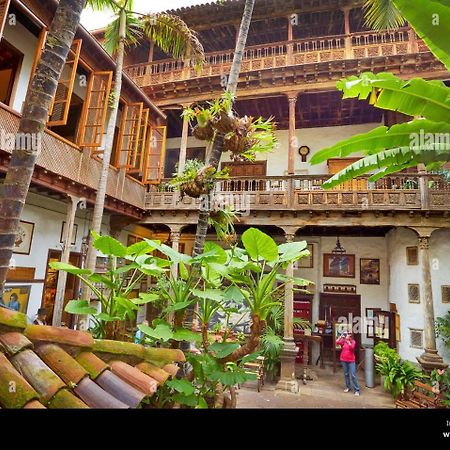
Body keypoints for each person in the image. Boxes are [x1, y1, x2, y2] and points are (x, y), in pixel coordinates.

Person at [336, 331, 361, 396]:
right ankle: (348, 387)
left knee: (353, 375)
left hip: (351, 360)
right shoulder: (343, 341)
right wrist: (341, 336)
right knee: (346, 374)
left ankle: (357, 389)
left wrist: (348, 342)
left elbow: (352, 348)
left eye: (349, 334)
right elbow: (337, 342)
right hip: (343, 359)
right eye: (347, 334)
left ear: (351, 336)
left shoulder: (353, 341)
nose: (347, 335)